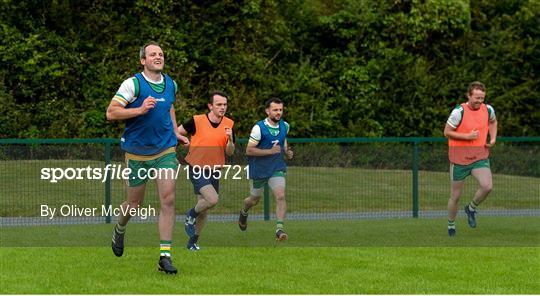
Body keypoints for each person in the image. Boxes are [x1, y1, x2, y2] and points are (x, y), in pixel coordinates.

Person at [106, 41, 188, 274]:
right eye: (152, 54)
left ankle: (165, 256)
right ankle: (120, 229)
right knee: (134, 204)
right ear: (143, 60)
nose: (158, 57)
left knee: (168, 199)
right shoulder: (133, 84)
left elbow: (169, 107)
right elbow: (111, 112)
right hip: (137, 153)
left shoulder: (171, 84)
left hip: (165, 150)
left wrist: (175, 133)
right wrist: (139, 110)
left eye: (161, 54)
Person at [179, 91, 235, 250]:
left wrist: (230, 139)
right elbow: (177, 132)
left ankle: (193, 242)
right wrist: (183, 140)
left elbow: (230, 152)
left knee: (204, 208)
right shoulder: (197, 120)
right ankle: (190, 215)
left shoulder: (229, 124)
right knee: (212, 199)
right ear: (210, 106)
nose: (222, 107)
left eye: (225, 104)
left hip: (215, 169)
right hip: (196, 166)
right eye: (219, 104)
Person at [444, 81, 497, 237]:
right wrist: (466, 137)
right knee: (456, 196)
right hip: (459, 159)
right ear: (469, 95)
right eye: (476, 98)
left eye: (482, 98)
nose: (479, 101)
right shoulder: (458, 112)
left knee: (487, 186)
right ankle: (451, 225)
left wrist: (493, 139)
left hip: (479, 156)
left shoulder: (488, 110)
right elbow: (447, 132)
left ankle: (471, 208)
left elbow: (493, 122)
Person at [238, 98, 293, 241]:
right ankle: (244, 211)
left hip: (276, 167)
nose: (278, 112)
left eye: (280, 109)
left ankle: (279, 229)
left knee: (280, 195)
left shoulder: (285, 126)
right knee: (254, 200)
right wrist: (270, 151)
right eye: (275, 110)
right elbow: (249, 150)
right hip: (259, 169)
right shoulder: (258, 128)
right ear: (267, 111)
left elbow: (283, 140)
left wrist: (286, 151)